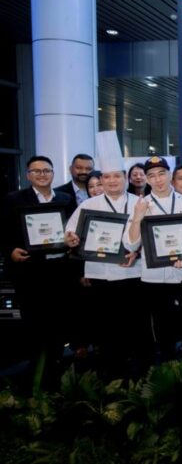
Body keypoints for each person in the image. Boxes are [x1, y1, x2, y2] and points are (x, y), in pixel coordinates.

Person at [64, 132, 144, 376]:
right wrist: (71, 238)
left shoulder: (140, 203)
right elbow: (70, 232)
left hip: (133, 276)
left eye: (116, 176)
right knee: (105, 333)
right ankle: (108, 381)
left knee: (133, 331)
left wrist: (137, 251)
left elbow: (148, 239)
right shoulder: (88, 205)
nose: (111, 181)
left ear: (125, 178)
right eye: (106, 177)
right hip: (100, 277)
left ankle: (134, 381)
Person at [1, 156, 77, 381]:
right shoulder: (13, 199)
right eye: (37, 171)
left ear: (53, 174)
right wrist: (9, 251)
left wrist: (73, 241)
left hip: (60, 269)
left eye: (46, 171)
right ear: (28, 175)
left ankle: (55, 369)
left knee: (58, 321)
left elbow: (73, 229)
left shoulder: (65, 198)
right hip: (30, 271)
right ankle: (34, 374)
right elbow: (2, 231)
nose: (42, 175)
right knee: (34, 323)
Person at [124, 156, 182, 361]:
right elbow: (131, 244)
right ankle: (165, 371)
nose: (158, 179)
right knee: (162, 330)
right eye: (152, 176)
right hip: (153, 277)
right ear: (146, 179)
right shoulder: (139, 204)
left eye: (162, 173)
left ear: (170, 175)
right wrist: (138, 217)